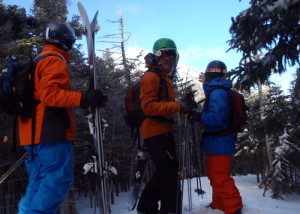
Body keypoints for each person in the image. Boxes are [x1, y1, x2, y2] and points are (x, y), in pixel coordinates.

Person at [17, 22, 107, 214]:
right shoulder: (54, 59)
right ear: (65, 41)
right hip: (50, 133)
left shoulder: (38, 61)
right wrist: (83, 98)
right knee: (57, 179)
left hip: (32, 135)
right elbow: (50, 95)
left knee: (38, 182)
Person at [137, 38, 184, 214]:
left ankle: (146, 207)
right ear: (157, 56)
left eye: (173, 56)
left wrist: (182, 108)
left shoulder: (163, 78)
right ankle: (166, 210)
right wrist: (177, 106)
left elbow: (165, 105)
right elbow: (148, 107)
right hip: (155, 133)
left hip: (162, 131)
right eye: (166, 55)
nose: (169, 60)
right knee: (170, 176)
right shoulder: (150, 77)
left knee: (166, 173)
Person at [192, 60, 243, 214]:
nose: (204, 77)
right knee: (214, 175)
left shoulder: (218, 92)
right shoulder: (217, 90)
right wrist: (206, 85)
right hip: (217, 142)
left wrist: (197, 116)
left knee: (220, 177)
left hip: (220, 142)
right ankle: (219, 204)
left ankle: (233, 208)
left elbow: (216, 119)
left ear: (211, 74)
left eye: (207, 75)